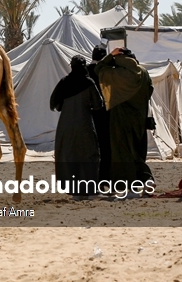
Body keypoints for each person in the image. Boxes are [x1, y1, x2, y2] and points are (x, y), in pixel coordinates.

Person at [95, 47, 154, 196]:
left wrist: (110, 56)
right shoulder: (143, 72)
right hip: (140, 118)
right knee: (136, 151)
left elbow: (99, 68)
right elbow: (150, 90)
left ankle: (129, 186)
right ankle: (146, 180)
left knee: (123, 152)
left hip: (121, 119)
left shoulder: (117, 73)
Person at [50, 55, 104, 199]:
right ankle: (89, 190)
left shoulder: (64, 82)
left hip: (65, 126)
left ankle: (74, 191)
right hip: (85, 124)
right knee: (88, 156)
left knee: (69, 156)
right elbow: (99, 104)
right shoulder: (89, 82)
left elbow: (55, 104)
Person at [87, 46, 111, 180]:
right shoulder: (105, 72)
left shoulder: (84, 71)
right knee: (105, 147)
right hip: (103, 114)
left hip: (87, 115)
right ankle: (104, 178)